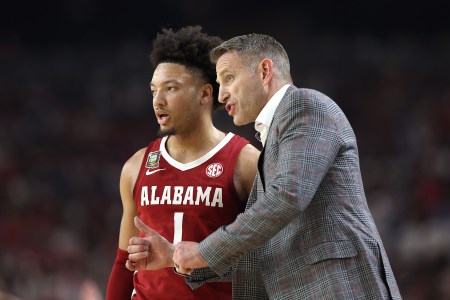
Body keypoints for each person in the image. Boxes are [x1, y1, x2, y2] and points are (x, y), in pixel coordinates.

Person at [127, 33, 402, 299]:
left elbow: (287, 197)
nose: (221, 95)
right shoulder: (271, 145)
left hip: (339, 287)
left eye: (229, 79)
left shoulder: (305, 106)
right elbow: (262, 257)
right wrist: (176, 257)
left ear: (264, 71)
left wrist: (202, 252)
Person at [105, 26, 260, 300]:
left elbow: (267, 262)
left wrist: (177, 256)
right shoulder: (135, 167)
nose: (158, 100)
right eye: (153, 90)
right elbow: (123, 263)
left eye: (170, 89)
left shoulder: (246, 163)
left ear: (204, 94)